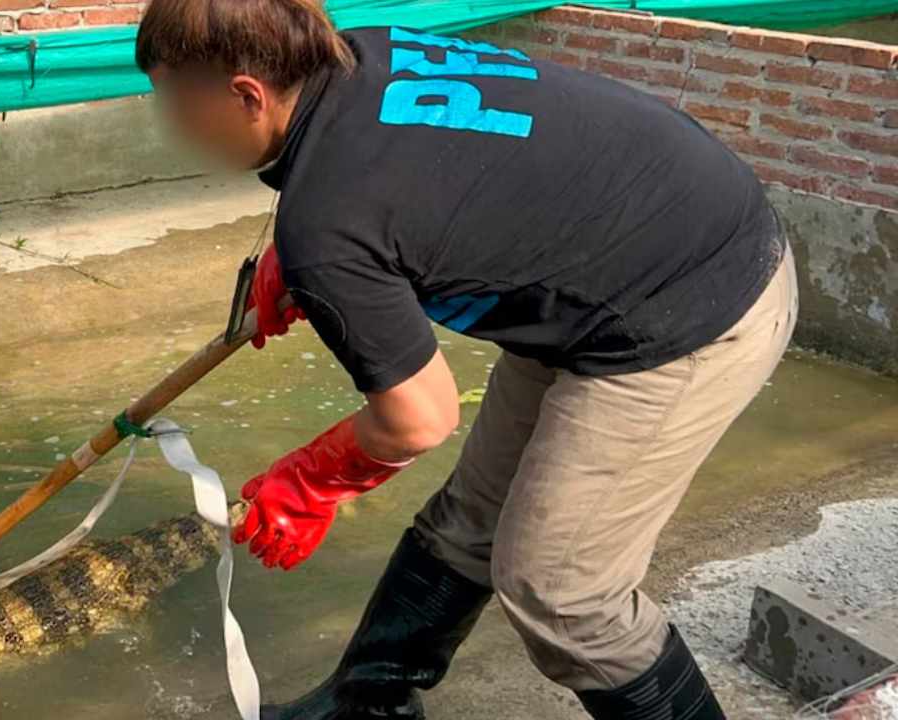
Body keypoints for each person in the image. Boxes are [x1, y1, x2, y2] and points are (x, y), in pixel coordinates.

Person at [136, 1, 798, 718]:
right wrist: (302, 264)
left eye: (173, 100)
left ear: (246, 94)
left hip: (691, 303)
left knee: (561, 592)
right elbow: (406, 180)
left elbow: (418, 419)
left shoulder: (326, 224)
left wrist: (309, 480)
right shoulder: (355, 55)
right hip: (632, 250)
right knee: (472, 519)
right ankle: (367, 707)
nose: (168, 127)